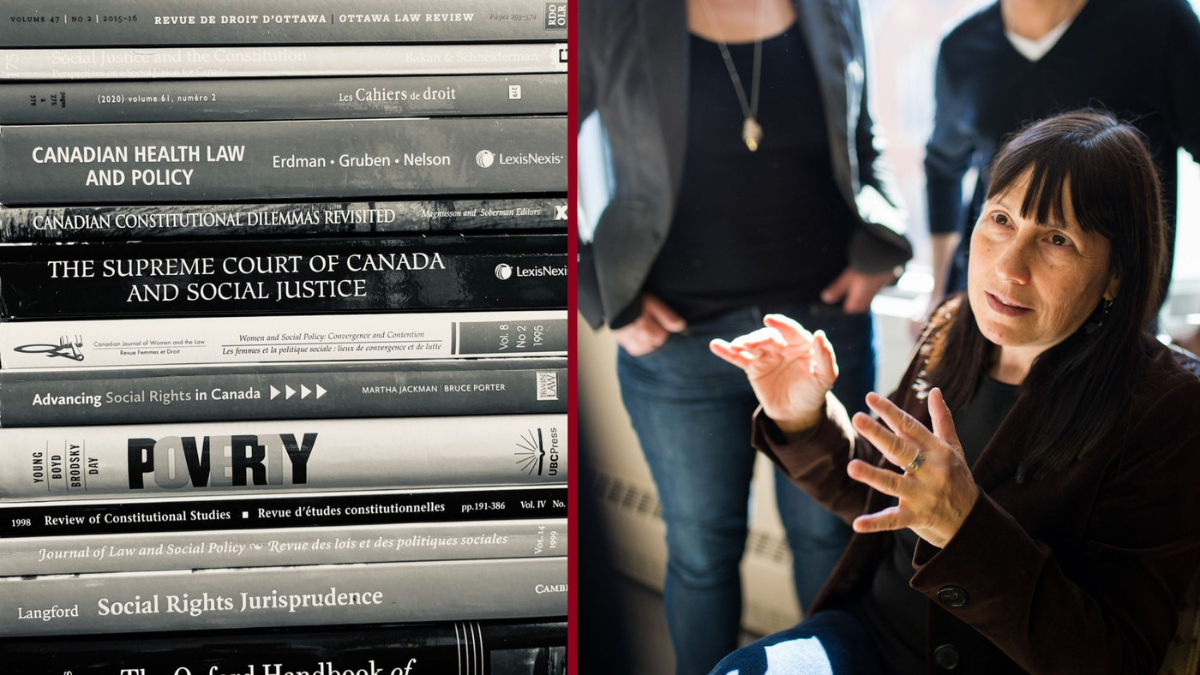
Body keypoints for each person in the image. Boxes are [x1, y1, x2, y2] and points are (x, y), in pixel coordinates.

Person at [708, 110, 1200, 674]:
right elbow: (882, 502)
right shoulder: (951, 328)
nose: (1009, 266)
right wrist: (805, 418)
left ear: (1117, 274)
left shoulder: (1166, 408)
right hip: (869, 638)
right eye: (1001, 219)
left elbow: (1117, 660)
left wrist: (967, 529)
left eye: (1057, 239)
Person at [578, 0, 912, 671]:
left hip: (824, 337)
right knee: (702, 552)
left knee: (830, 536)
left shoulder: (834, 7)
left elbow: (863, 141)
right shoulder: (608, 15)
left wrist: (883, 251)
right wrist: (592, 289)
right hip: (678, 347)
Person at [925, 0, 1200, 316]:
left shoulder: (1158, 21)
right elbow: (942, 167)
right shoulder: (962, 46)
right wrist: (938, 292)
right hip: (988, 307)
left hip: (1112, 316)